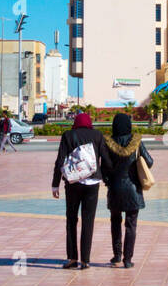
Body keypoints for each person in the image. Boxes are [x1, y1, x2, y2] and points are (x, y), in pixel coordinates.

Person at [52, 112, 106, 269]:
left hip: (73, 182)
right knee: (88, 221)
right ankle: (85, 260)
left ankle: (72, 258)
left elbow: (60, 160)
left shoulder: (68, 135)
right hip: (92, 183)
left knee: (71, 219)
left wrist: (55, 184)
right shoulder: (97, 135)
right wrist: (107, 179)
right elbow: (105, 158)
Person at [102, 113, 154, 268]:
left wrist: (108, 182)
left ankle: (117, 256)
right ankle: (128, 259)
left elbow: (104, 168)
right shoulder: (136, 142)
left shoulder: (108, 143)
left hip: (115, 189)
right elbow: (149, 162)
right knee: (131, 225)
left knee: (115, 223)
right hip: (133, 190)